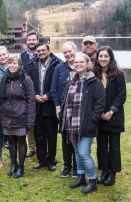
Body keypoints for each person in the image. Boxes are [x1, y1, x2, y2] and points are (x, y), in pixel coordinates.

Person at [60, 53, 105, 194]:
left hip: (86, 124)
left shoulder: (94, 82)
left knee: (84, 153)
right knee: (77, 152)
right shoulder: (70, 80)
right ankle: (81, 177)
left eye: (81, 62)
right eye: (76, 62)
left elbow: (100, 103)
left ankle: (92, 180)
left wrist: (92, 119)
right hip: (71, 123)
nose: (78, 64)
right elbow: (64, 100)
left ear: (88, 64)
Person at [0, 55, 35, 178]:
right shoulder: (2, 80)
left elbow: (31, 100)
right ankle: (14, 165)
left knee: (21, 140)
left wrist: (30, 119)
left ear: (20, 65)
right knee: (11, 140)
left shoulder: (26, 80)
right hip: (6, 116)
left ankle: (21, 167)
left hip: (21, 115)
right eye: (10, 63)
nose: (12, 65)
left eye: (15, 63)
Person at [93, 46, 126, 186]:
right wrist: (97, 112)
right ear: (97, 58)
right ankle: (104, 170)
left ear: (110, 58)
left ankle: (112, 173)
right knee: (101, 146)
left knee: (113, 146)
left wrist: (111, 112)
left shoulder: (118, 75)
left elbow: (121, 96)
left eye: (106, 56)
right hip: (99, 117)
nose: (103, 59)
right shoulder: (94, 75)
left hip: (114, 117)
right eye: (100, 56)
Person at [27, 43, 62, 172]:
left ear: (48, 51)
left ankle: (51, 160)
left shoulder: (57, 63)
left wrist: (49, 96)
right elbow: (28, 82)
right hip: (36, 105)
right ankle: (41, 160)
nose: (41, 52)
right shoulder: (32, 64)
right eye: (39, 51)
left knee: (51, 135)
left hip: (51, 105)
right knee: (39, 134)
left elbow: (59, 83)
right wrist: (34, 94)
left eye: (43, 50)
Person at [50, 41, 78, 178]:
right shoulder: (59, 68)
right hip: (63, 109)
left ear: (75, 50)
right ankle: (67, 166)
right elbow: (54, 89)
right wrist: (57, 107)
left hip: (79, 110)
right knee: (66, 138)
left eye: (69, 51)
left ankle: (77, 167)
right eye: (65, 52)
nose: (68, 54)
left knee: (77, 138)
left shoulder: (82, 66)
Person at [20, 30, 39, 158]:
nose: (31, 42)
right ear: (27, 41)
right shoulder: (22, 56)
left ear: (37, 41)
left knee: (41, 123)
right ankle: (32, 148)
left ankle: (43, 146)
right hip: (26, 93)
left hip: (40, 93)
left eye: (34, 40)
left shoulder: (42, 53)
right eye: (29, 40)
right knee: (30, 121)